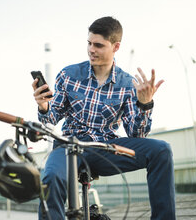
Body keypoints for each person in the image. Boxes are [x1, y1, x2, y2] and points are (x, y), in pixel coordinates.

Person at [32, 16, 175, 220]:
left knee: (161, 150)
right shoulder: (68, 75)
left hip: (104, 149)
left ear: (116, 47)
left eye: (98, 45)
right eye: (89, 43)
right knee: (51, 178)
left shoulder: (128, 84)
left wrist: (144, 104)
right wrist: (44, 106)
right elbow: (50, 120)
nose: (91, 49)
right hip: (69, 147)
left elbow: (137, 134)